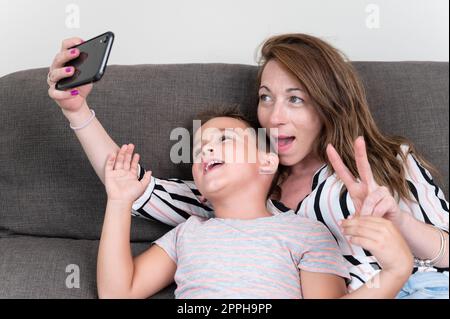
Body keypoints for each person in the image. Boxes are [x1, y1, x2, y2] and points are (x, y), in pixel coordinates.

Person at [48, 33, 448, 298]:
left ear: (330, 105)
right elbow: (129, 182)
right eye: (266, 97)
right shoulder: (223, 196)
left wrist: (401, 225)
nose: (273, 117)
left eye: (295, 99)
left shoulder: (384, 163)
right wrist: (77, 111)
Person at [96, 111, 413, 298]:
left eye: (222, 140)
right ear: (201, 193)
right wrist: (119, 202)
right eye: (198, 150)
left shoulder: (305, 233)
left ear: (267, 162)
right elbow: (117, 292)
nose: (205, 152)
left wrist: (397, 271)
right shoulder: (186, 233)